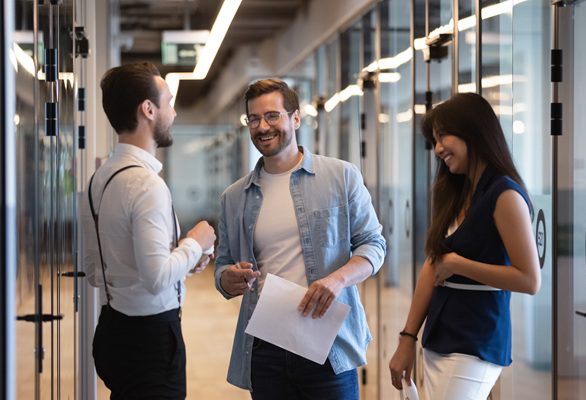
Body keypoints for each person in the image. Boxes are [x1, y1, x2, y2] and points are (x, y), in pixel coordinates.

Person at [214, 78, 386, 400]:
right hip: (265, 346)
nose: (262, 126)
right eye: (254, 119)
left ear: (295, 118)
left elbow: (374, 245)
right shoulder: (234, 197)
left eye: (272, 116)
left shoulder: (341, 176)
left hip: (328, 344)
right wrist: (228, 278)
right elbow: (222, 267)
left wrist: (337, 280)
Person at [388, 92, 541, 399]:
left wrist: (458, 265)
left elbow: (529, 279)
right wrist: (408, 337)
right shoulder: (457, 192)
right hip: (441, 334)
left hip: (476, 339)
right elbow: (432, 265)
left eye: (443, 136)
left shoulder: (504, 195)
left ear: (474, 131)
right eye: (434, 141)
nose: (438, 149)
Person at [80, 62, 216, 400]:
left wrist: (182, 258)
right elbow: (156, 278)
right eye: (169, 102)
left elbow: (97, 272)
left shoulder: (100, 179)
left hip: (112, 331)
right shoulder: (145, 185)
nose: (174, 113)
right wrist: (194, 244)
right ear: (149, 109)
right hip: (150, 342)